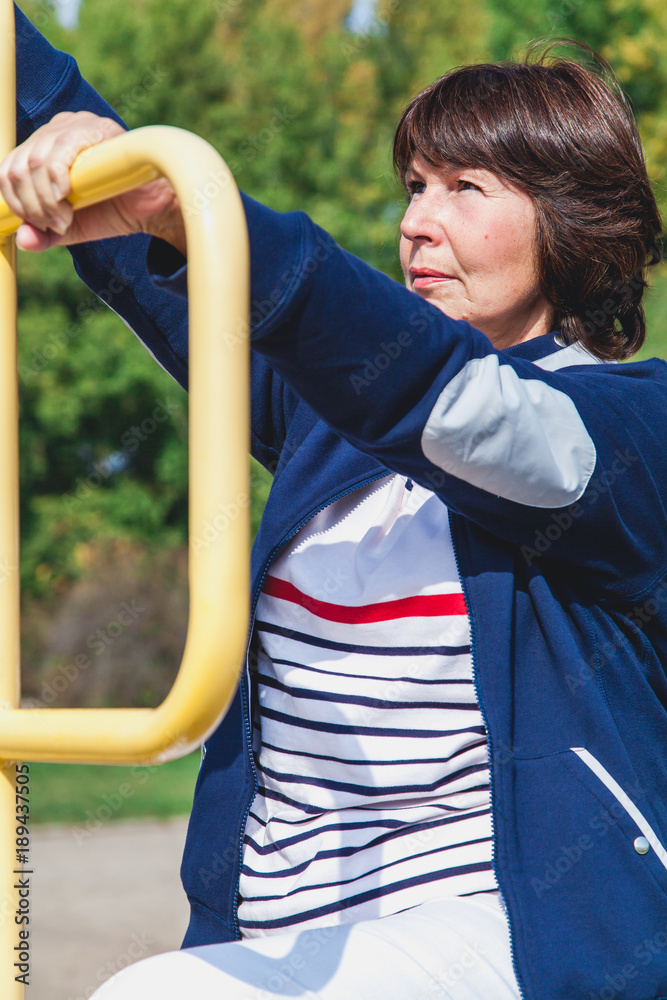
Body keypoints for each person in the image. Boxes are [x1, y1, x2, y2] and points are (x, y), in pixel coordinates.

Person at [6, 7, 667, 999]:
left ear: (568, 225)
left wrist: (186, 206)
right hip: (293, 931)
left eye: (464, 189)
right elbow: (183, 279)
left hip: (511, 937)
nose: (415, 220)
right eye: (412, 186)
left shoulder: (626, 428)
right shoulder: (331, 423)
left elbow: (467, 410)